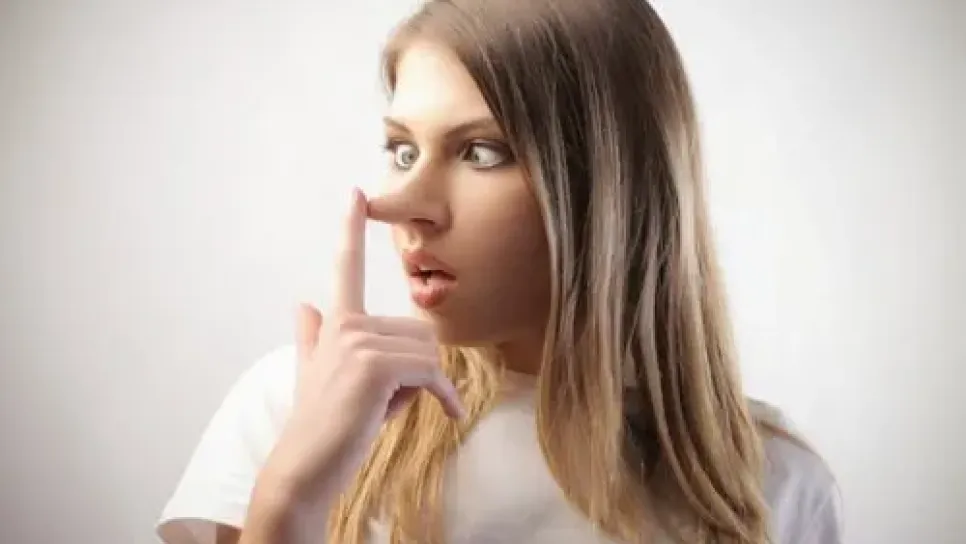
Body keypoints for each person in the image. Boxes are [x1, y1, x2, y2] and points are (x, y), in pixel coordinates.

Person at [157, 0, 843, 543]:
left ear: (612, 187)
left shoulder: (776, 482)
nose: (403, 206)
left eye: (480, 153)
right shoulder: (295, 405)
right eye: (402, 150)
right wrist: (289, 497)